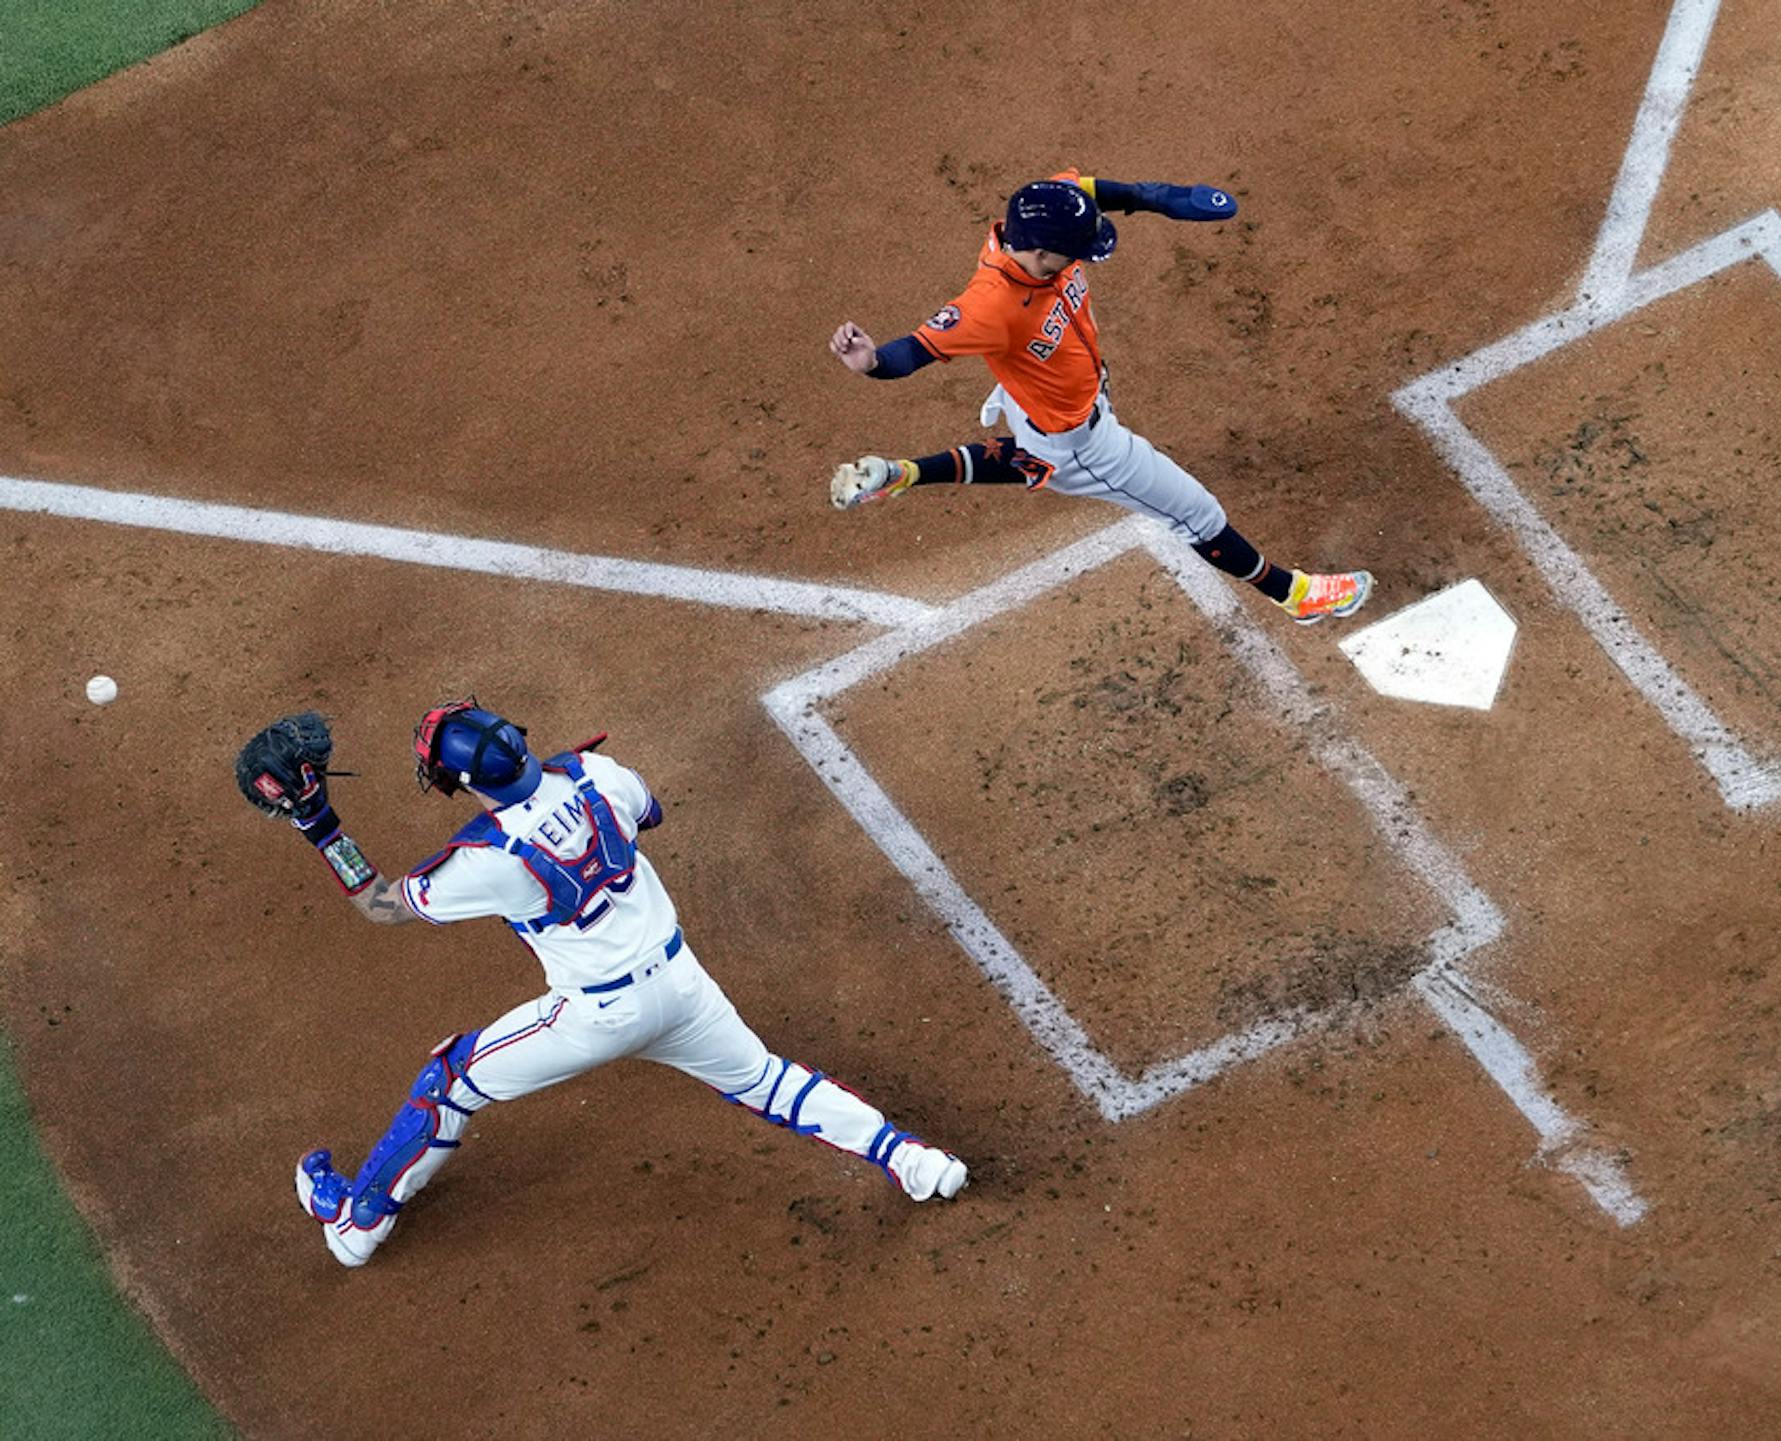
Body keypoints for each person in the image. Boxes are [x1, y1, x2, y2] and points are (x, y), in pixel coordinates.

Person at [253, 700, 966, 1268]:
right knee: (771, 1083)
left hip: (597, 1016)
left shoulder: (485, 860)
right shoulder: (599, 774)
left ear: (465, 783)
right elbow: (645, 811)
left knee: (450, 1077)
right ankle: (911, 1158)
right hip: (684, 985)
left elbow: (378, 904)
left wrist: (319, 823)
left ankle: (356, 1224)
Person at [828, 170, 1375, 625]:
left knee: (1031, 456)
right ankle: (1294, 594)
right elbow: (914, 351)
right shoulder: (990, 306)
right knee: (1197, 515)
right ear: (1040, 253)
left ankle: (905, 474)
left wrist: (1159, 199)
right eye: (1076, 252)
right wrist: (872, 362)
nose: (1083, 258)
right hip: (1086, 443)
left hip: (1039, 403)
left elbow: (1085, 188)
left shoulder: (1045, 206)